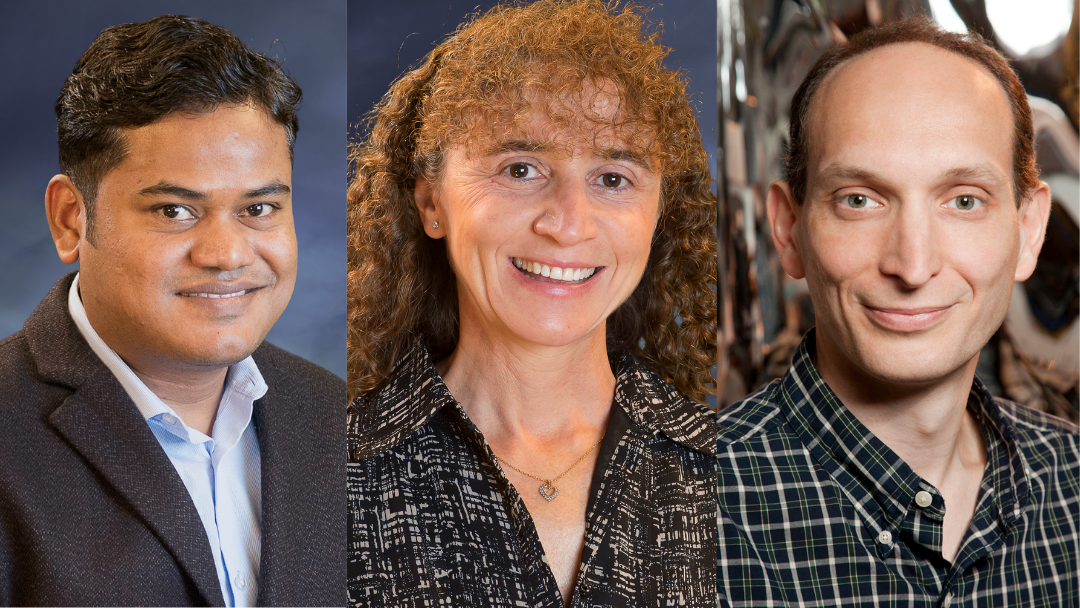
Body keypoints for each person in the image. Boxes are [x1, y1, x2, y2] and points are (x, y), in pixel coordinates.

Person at [346, 0, 717, 606]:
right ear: (432, 203)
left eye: (613, 178)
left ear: (657, 214)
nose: (569, 225)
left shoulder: (732, 471)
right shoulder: (328, 477)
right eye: (520, 169)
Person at [717, 16, 1077, 607]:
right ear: (787, 229)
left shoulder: (1073, 485)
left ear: (1029, 230)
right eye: (859, 199)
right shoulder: (674, 511)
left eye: (964, 201)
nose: (913, 266)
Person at [0, 16, 344, 606]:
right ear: (70, 219)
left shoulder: (340, 419)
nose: (227, 254)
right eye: (173, 211)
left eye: (258, 208)